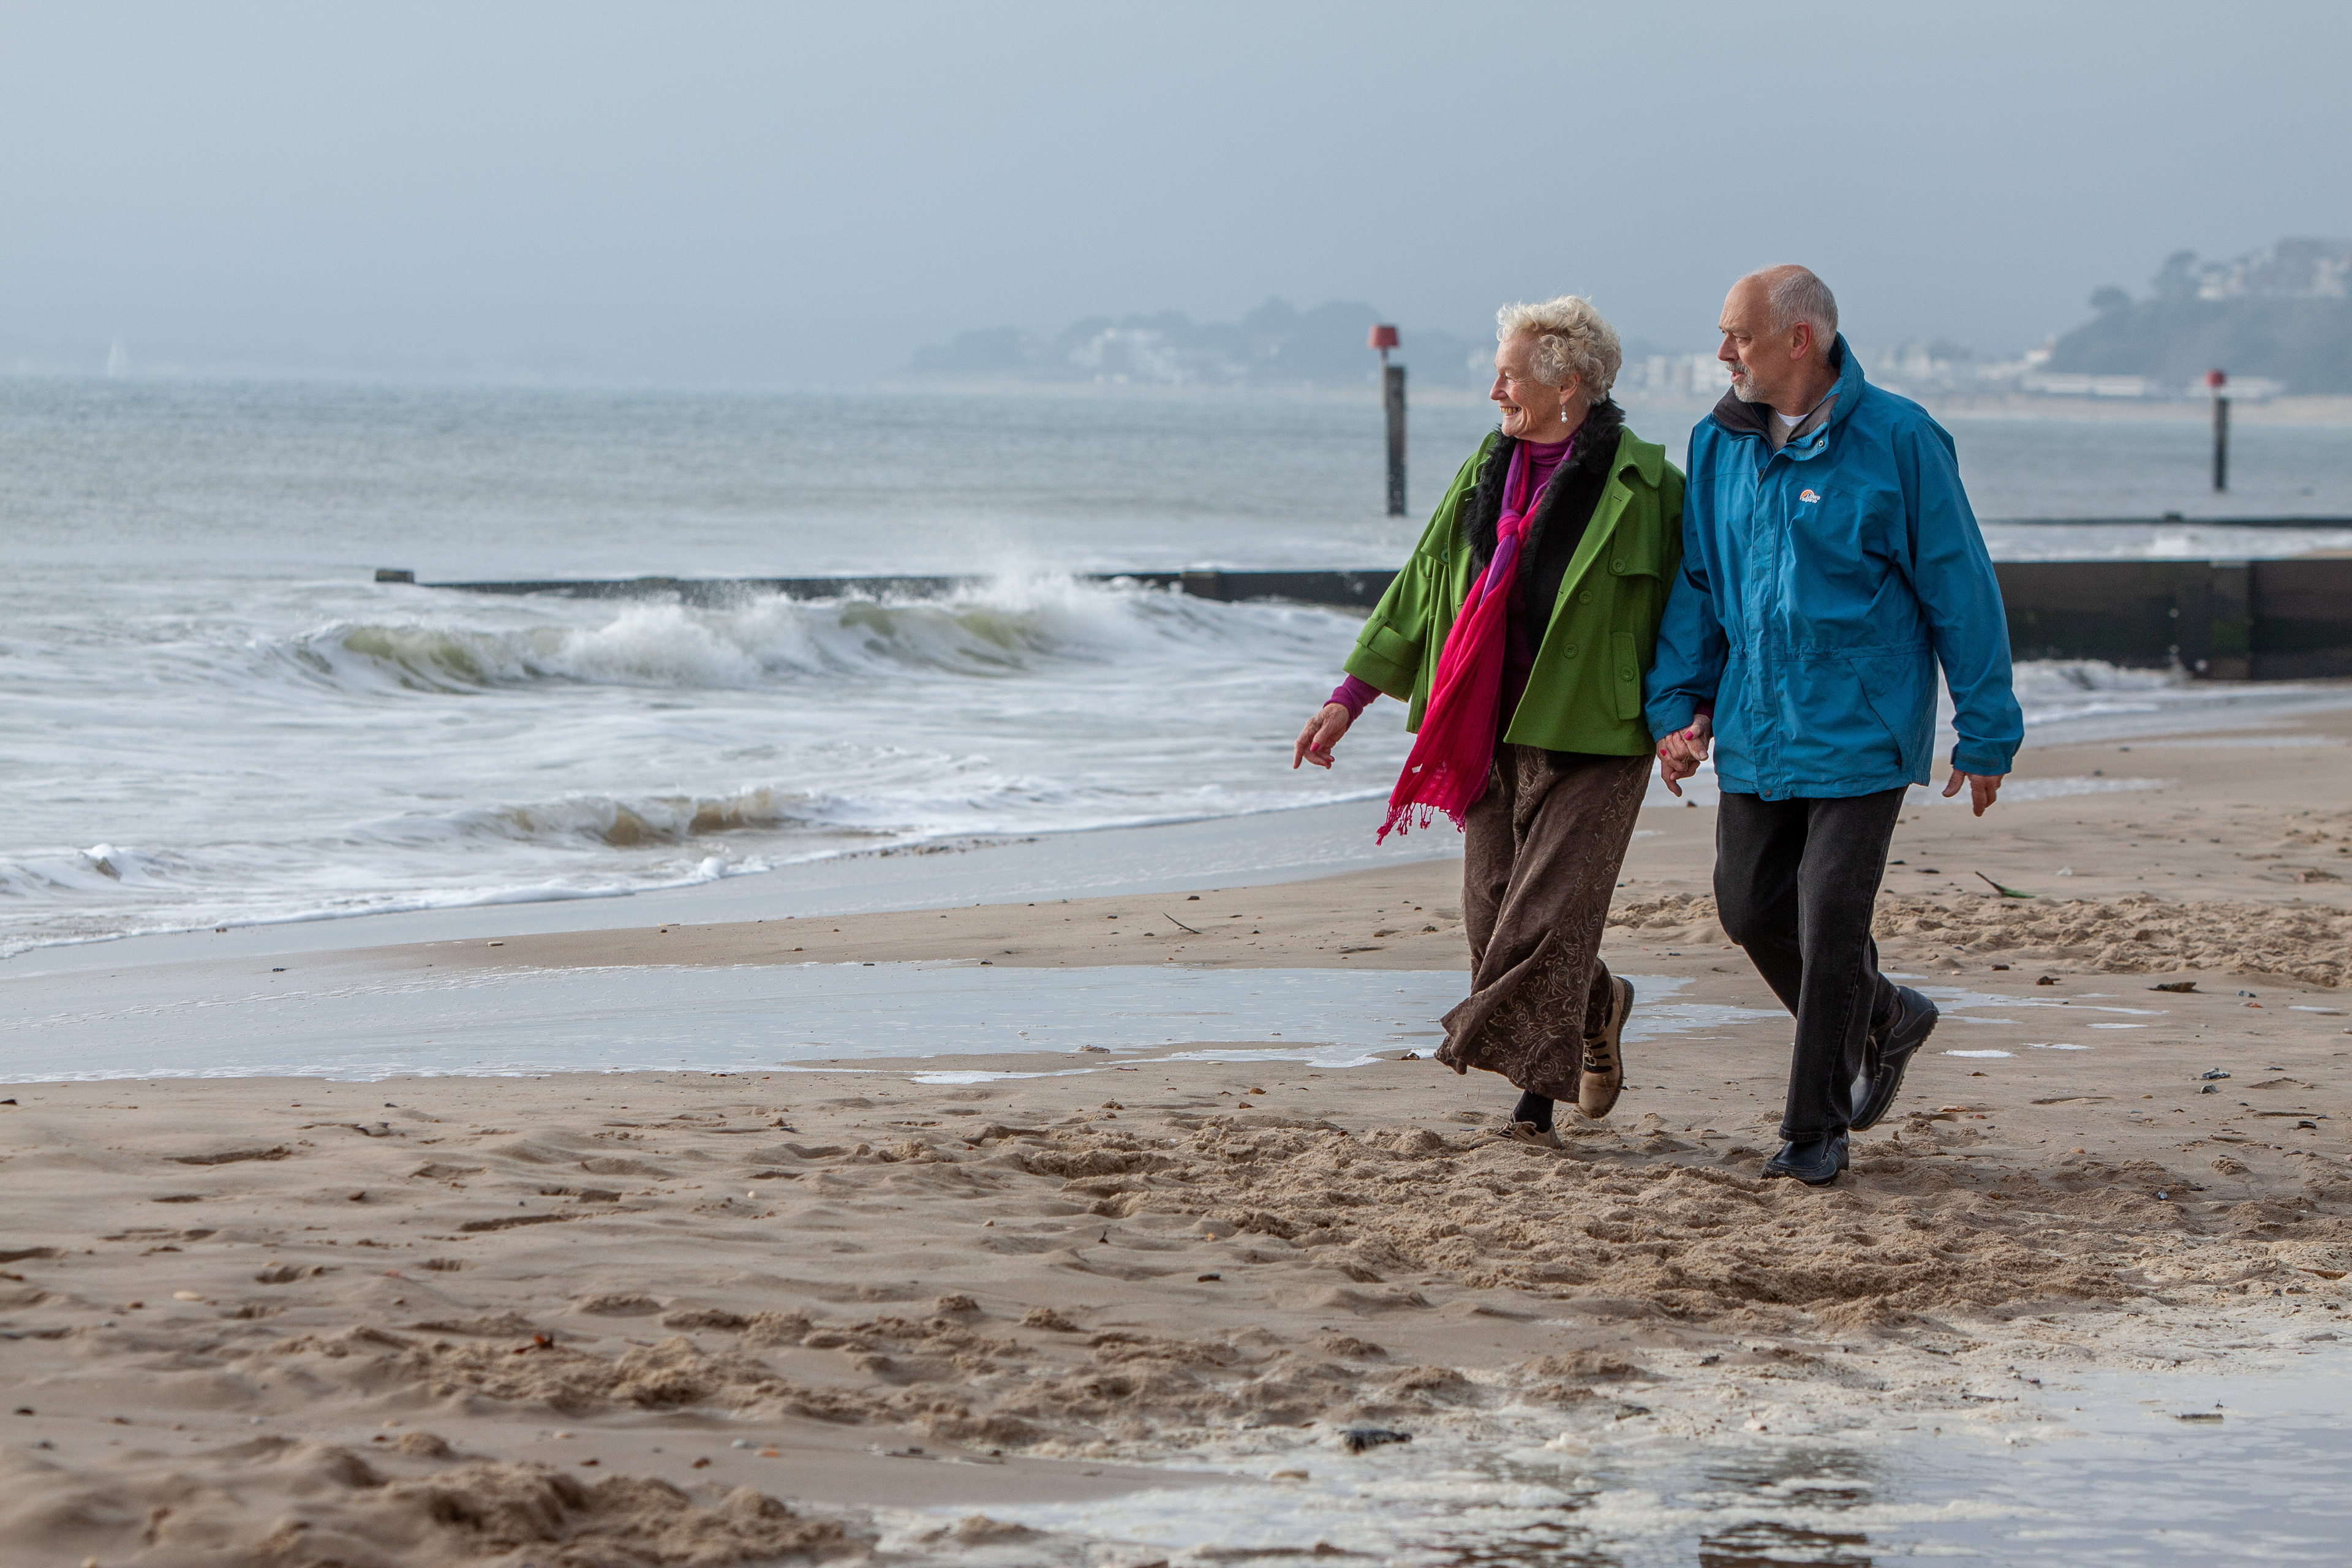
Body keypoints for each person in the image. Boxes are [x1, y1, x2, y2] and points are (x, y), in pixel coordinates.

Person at [1648, 265, 2022, 1186]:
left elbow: (1960, 587)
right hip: (1758, 726)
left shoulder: (1900, 438)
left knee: (1828, 928)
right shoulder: (1716, 442)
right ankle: (1887, 1018)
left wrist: (1986, 731)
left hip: (1861, 726)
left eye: (1737, 333)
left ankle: (1814, 1132)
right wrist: (1676, 709)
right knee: (1746, 909)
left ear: (1798, 339)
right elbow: (1699, 587)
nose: (1723, 351)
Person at [1292, 296, 1684, 1146]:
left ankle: (1531, 1108)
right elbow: (1424, 580)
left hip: (1599, 733)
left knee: (1542, 925)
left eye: (1507, 375)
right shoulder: (1484, 470)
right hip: (1486, 724)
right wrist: (1348, 697)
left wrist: (1684, 716)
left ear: (1568, 385)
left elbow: (1691, 616)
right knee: (1490, 917)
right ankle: (1599, 1002)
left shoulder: (1651, 486)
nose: (1493, 391)